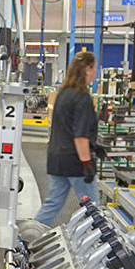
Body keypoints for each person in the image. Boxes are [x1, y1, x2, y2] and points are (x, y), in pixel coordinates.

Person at [33, 51, 103, 226]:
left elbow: (65, 128)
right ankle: (99, 244)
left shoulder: (64, 93)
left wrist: (94, 147)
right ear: (88, 69)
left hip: (57, 158)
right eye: (95, 68)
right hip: (76, 162)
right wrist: (87, 163)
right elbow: (80, 135)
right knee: (92, 208)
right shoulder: (82, 96)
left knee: (53, 204)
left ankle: (28, 237)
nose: (96, 72)